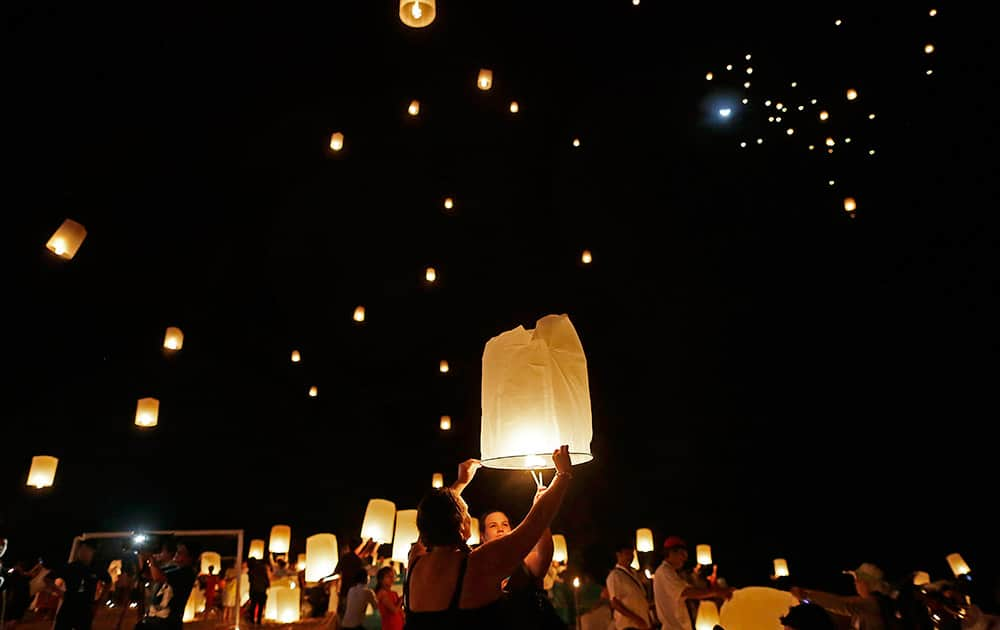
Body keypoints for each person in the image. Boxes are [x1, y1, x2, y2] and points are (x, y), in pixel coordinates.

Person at [403, 445, 575, 629]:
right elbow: (535, 524)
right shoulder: (478, 563)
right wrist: (563, 475)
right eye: (466, 512)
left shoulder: (415, 559)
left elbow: (433, 520)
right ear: (462, 525)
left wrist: (460, 483)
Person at [653, 536, 733, 630]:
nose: (684, 559)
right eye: (682, 554)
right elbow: (686, 591)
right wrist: (716, 592)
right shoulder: (664, 572)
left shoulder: (672, 573)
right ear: (671, 553)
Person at [791, 563, 895, 630]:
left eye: (857, 580)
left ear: (866, 583)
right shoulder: (874, 603)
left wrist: (806, 594)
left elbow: (841, 604)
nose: (855, 584)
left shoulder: (871, 603)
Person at [47, 540, 112, 630]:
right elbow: (47, 579)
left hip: (86, 609)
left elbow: (109, 581)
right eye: (81, 550)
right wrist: (60, 592)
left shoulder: (96, 568)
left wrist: (101, 600)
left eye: (86, 550)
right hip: (68, 607)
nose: (83, 553)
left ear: (92, 552)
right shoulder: (70, 567)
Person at [139, 541, 200, 630]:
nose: (176, 554)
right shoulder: (172, 568)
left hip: (168, 623)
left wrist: (151, 558)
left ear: (190, 557)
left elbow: (158, 577)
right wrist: (142, 557)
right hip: (154, 620)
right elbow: (147, 575)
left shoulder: (187, 572)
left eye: (180, 552)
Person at [607, 542, 651, 630]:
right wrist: (636, 619)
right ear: (618, 555)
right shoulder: (615, 575)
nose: (630, 557)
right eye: (627, 554)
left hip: (642, 622)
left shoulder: (635, 573)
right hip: (628, 625)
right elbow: (615, 603)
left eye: (632, 554)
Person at [245, 557, 270, 625]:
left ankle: (252, 620)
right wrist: (267, 584)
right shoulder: (262, 568)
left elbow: (250, 580)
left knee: (253, 605)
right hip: (261, 590)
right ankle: (258, 620)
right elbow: (266, 578)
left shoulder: (251, 570)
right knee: (260, 606)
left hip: (255, 590)